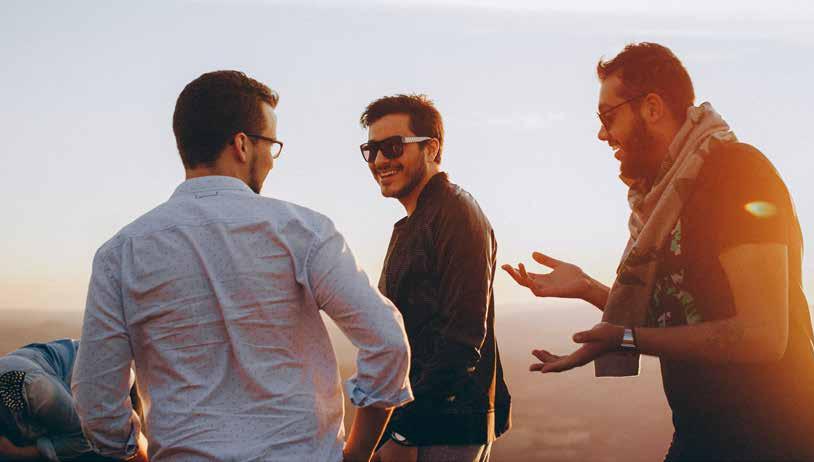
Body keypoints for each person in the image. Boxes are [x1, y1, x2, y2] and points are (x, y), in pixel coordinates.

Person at [503, 43, 814, 461]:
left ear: (651, 108)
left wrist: (627, 339)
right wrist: (588, 288)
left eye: (608, 117)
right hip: (701, 435)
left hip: (781, 438)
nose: (602, 134)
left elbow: (762, 335)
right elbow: (681, 315)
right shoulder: (663, 201)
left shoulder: (736, 172)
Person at [72, 70, 413, 462]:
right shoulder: (303, 232)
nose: (271, 160)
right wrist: (356, 453)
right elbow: (387, 343)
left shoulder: (120, 254)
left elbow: (97, 401)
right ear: (242, 145)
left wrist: (138, 455)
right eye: (271, 145)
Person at [359, 94, 511, 462]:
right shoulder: (418, 221)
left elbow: (463, 338)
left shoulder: (455, 212)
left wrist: (403, 428)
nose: (379, 160)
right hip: (421, 425)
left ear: (431, 148)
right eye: (371, 150)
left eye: (393, 147)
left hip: (440, 429)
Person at [0, 339, 138, 461]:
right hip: (55, 392)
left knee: (117, 447)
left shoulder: (29, 387)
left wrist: (18, 454)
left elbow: (85, 438)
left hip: (103, 376)